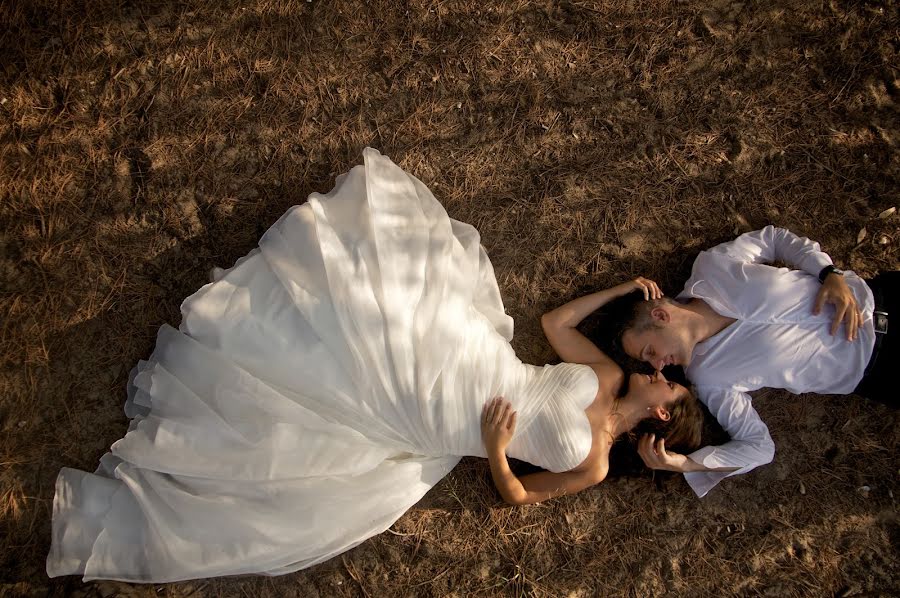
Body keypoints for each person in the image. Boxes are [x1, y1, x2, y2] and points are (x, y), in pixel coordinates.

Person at [46, 148, 702, 583]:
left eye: (666, 379)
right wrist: (619, 293)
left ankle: (243, 353)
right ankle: (283, 296)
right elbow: (555, 325)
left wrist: (499, 451)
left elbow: (521, 497)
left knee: (357, 386)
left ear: (665, 410)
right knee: (385, 314)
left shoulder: (592, 465)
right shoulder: (610, 375)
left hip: (459, 423)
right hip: (485, 362)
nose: (657, 370)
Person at [612, 226, 896, 497]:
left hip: (882, 296)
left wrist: (828, 272)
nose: (658, 366)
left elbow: (774, 239)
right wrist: (685, 464)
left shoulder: (711, 268)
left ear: (661, 316)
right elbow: (759, 448)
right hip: (881, 370)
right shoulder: (709, 376)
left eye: (649, 352)